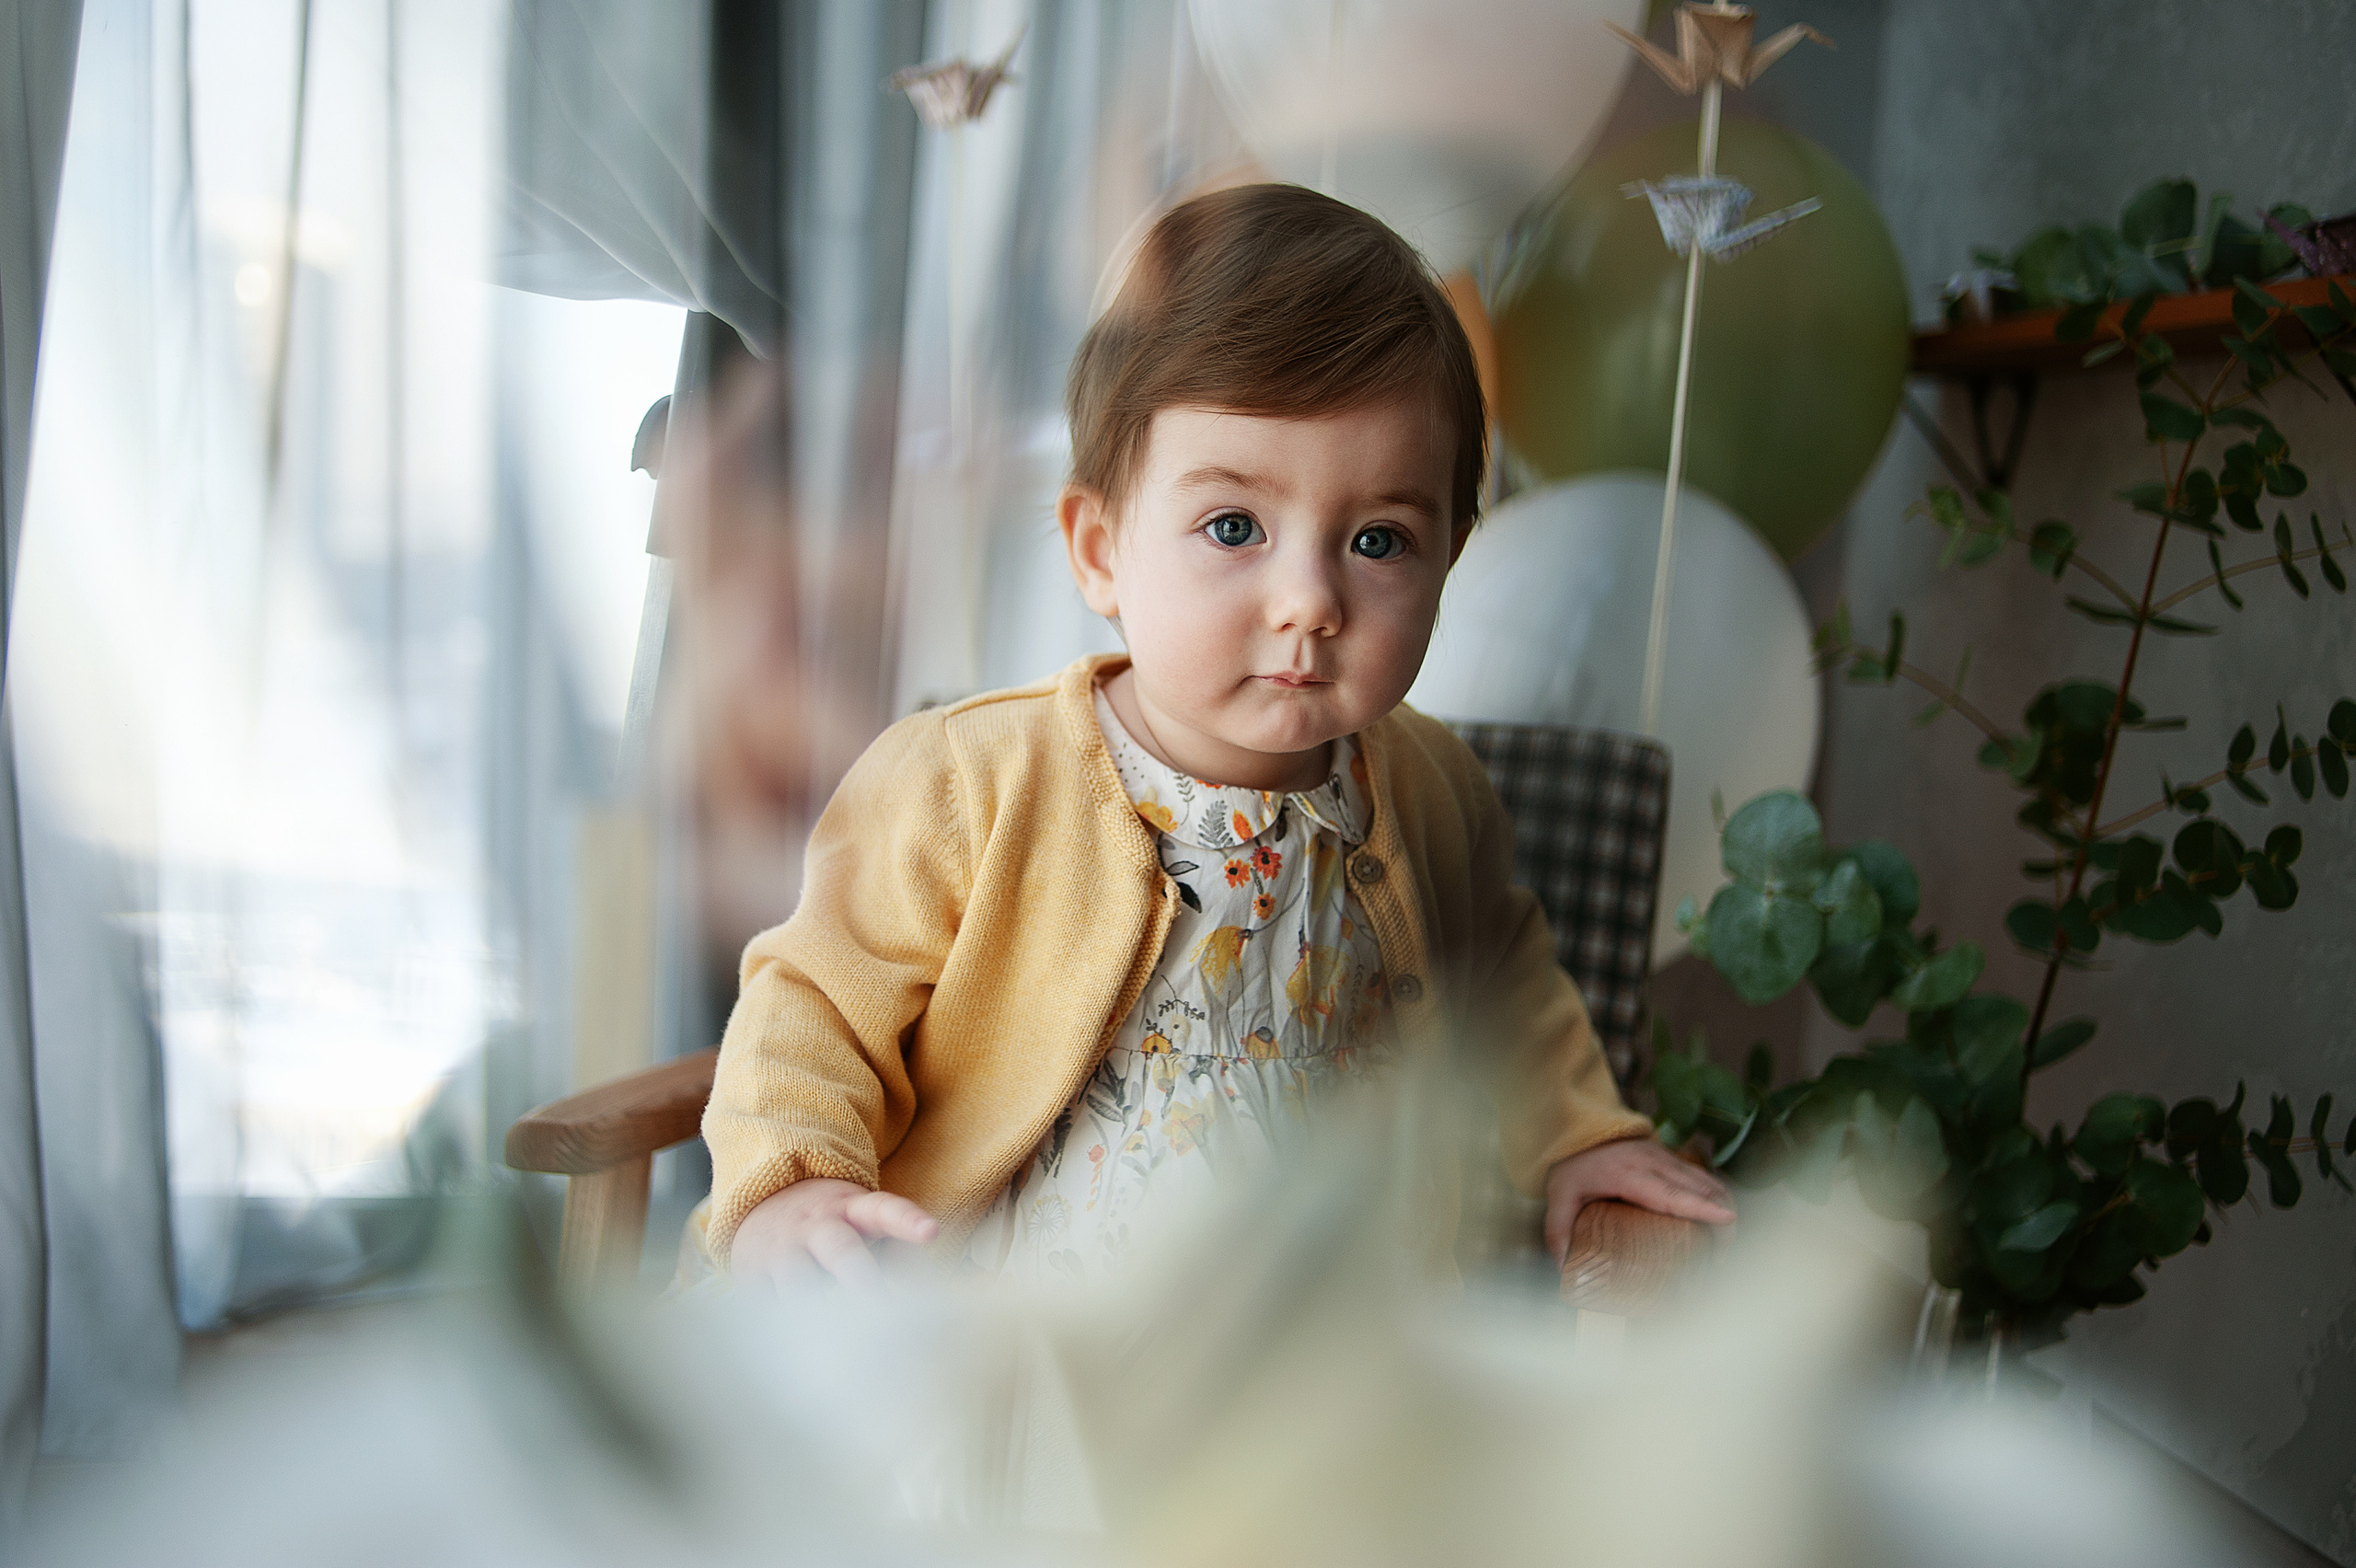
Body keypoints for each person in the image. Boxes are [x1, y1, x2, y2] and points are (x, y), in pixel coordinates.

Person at [701, 183, 1734, 1290]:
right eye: (1233, 527)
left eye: (1379, 540)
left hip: (1320, 1336)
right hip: (1032, 1342)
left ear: (1450, 562)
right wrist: (795, 1176)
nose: (1309, 600)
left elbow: (1504, 978)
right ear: (1100, 548)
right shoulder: (968, 784)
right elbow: (811, 1002)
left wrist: (1583, 1132)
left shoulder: (1431, 790)